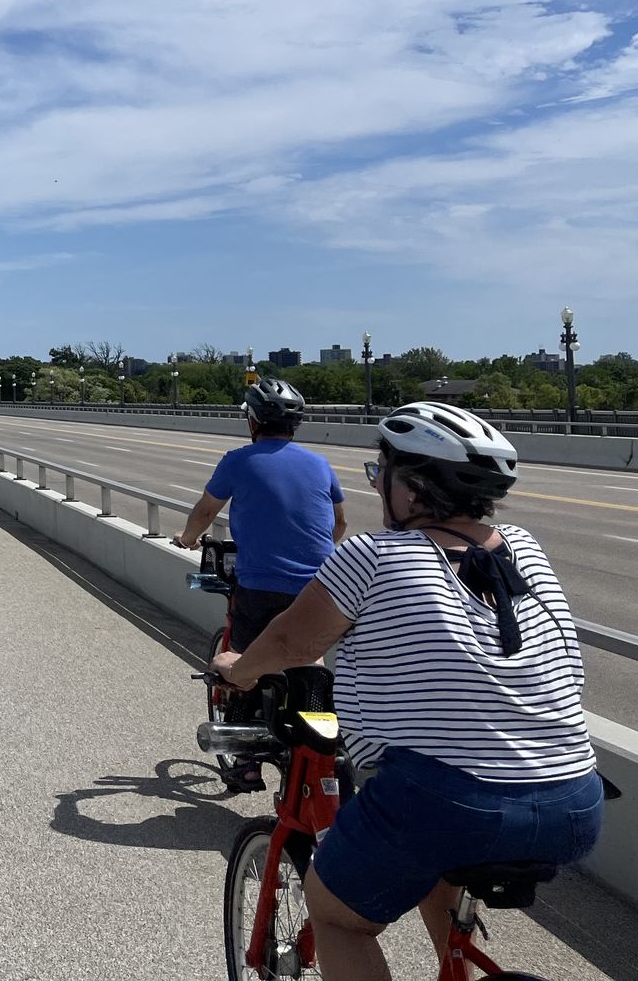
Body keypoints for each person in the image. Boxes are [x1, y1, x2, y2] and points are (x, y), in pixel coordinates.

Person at [211, 402, 601, 981]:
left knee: (337, 915)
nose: (377, 486)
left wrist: (238, 669)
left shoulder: (374, 554)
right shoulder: (523, 546)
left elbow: (292, 641)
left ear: (413, 489)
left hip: (444, 800)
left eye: (380, 473)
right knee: (434, 864)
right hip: (575, 800)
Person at [171, 376, 346, 790]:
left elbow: (205, 510)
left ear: (252, 421)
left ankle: (245, 761)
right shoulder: (320, 464)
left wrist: (189, 538)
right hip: (320, 588)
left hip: (260, 586)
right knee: (310, 660)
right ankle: (318, 749)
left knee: (242, 663)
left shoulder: (238, 460)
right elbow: (339, 523)